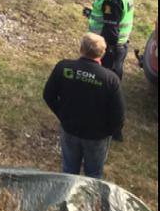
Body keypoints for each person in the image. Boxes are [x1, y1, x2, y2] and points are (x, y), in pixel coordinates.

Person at [42, 33, 125, 179]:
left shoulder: (63, 67)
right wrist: (107, 132)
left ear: (81, 48)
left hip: (70, 129)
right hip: (97, 136)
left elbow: (48, 95)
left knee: (69, 171)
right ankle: (90, 202)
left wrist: (63, 115)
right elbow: (118, 116)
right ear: (103, 53)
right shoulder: (111, 80)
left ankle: (66, 200)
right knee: (93, 175)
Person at [84, 0, 135, 77]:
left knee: (106, 78)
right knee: (112, 74)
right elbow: (116, 15)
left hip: (111, 47)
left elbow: (111, 29)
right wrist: (92, 14)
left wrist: (104, 50)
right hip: (120, 44)